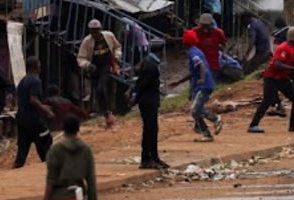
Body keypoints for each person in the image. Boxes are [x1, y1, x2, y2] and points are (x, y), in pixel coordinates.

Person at [247, 27, 294, 134]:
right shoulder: (284, 48)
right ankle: (253, 125)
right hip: (272, 78)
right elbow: (277, 65)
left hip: (282, 78)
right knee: (267, 101)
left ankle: (293, 125)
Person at [172, 30, 222, 142]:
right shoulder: (196, 51)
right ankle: (207, 132)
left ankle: (214, 121)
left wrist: (202, 79)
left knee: (195, 110)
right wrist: (179, 82)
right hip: (203, 85)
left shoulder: (193, 53)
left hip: (204, 85)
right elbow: (193, 72)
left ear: (185, 42)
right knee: (197, 110)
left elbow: (201, 66)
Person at [129, 41, 168, 170]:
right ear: (160, 51)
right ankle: (147, 159)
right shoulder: (151, 65)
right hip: (148, 101)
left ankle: (153, 157)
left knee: (151, 130)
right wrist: (135, 97)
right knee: (150, 130)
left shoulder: (148, 62)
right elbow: (142, 84)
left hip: (149, 101)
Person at [77, 19, 122, 128]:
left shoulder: (108, 36)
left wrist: (117, 56)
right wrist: (87, 65)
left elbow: (117, 47)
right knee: (97, 92)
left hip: (106, 66)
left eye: (96, 31)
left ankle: (108, 113)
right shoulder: (87, 41)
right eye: (93, 31)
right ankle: (106, 114)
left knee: (101, 88)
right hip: (94, 68)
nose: (95, 34)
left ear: (100, 30)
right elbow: (81, 58)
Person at [44, 115, 97, 200]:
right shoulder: (86, 149)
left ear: (63, 128)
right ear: (78, 129)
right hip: (78, 194)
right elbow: (91, 181)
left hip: (59, 195)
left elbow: (51, 179)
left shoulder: (56, 149)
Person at [15, 56, 55, 168]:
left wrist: (43, 106)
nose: (40, 67)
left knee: (22, 150)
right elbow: (33, 100)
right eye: (39, 65)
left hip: (21, 119)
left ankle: (16, 170)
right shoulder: (36, 81)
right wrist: (46, 112)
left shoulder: (23, 81)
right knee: (46, 141)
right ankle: (48, 168)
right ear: (35, 66)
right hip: (33, 120)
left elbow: (25, 100)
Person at [192, 13, 241, 83]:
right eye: (203, 26)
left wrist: (224, 53)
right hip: (201, 59)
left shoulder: (218, 32)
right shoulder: (195, 31)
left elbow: (224, 44)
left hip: (214, 60)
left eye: (207, 26)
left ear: (211, 24)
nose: (205, 29)